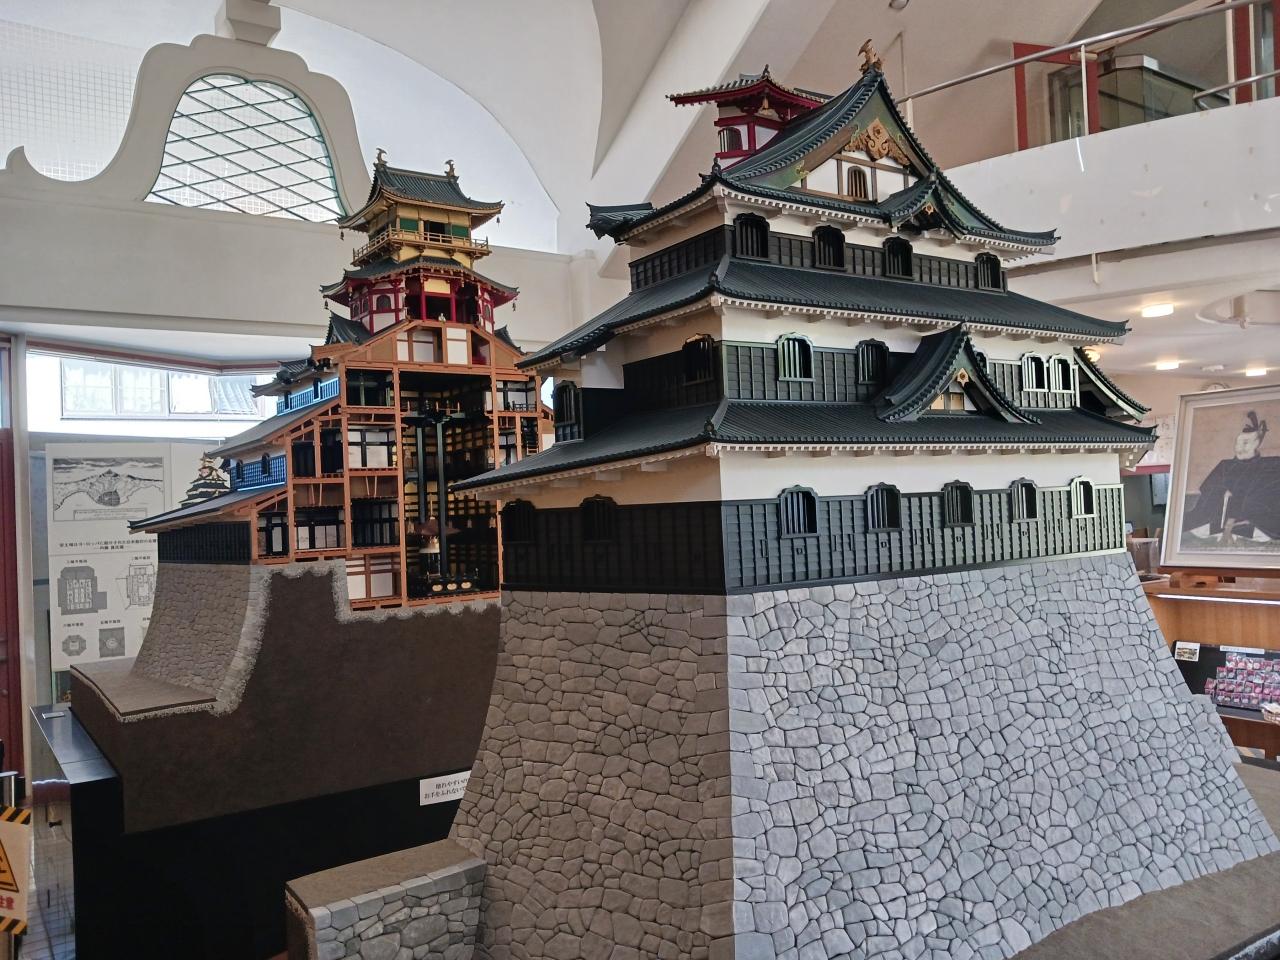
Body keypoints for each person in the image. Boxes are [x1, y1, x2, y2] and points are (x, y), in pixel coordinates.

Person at [1183, 410, 1280, 544]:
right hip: (1220, 518)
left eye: (1245, 443)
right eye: (1237, 443)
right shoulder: (1225, 466)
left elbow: (1270, 493)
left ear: (1257, 443)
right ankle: (1231, 531)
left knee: (1264, 529)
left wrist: (1246, 504)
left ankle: (1236, 530)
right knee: (1198, 527)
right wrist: (1222, 492)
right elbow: (1208, 489)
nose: (1239, 447)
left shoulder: (1270, 466)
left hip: (1252, 519)